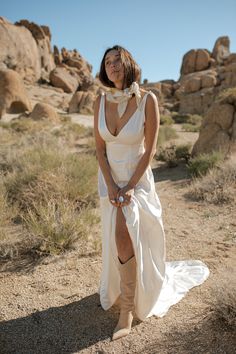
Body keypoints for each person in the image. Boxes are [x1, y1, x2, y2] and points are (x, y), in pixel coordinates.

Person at [93, 45, 209, 341]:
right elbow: (99, 149)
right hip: (109, 178)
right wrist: (110, 184)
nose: (113, 66)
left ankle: (127, 310)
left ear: (129, 63)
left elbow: (151, 149)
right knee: (120, 239)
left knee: (124, 235)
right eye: (108, 62)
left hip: (136, 178)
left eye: (118, 60)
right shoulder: (99, 101)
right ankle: (125, 291)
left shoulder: (148, 100)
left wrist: (129, 186)